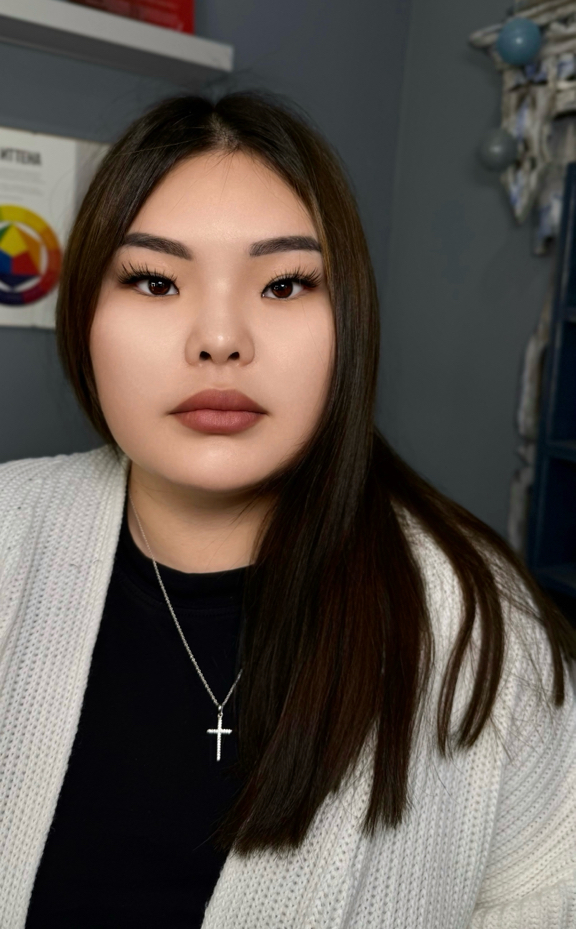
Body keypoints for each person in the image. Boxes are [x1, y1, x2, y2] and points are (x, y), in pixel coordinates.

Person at [0, 92, 575, 929]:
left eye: (284, 284)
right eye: (156, 280)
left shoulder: (480, 629)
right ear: (85, 312)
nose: (220, 338)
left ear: (349, 322)